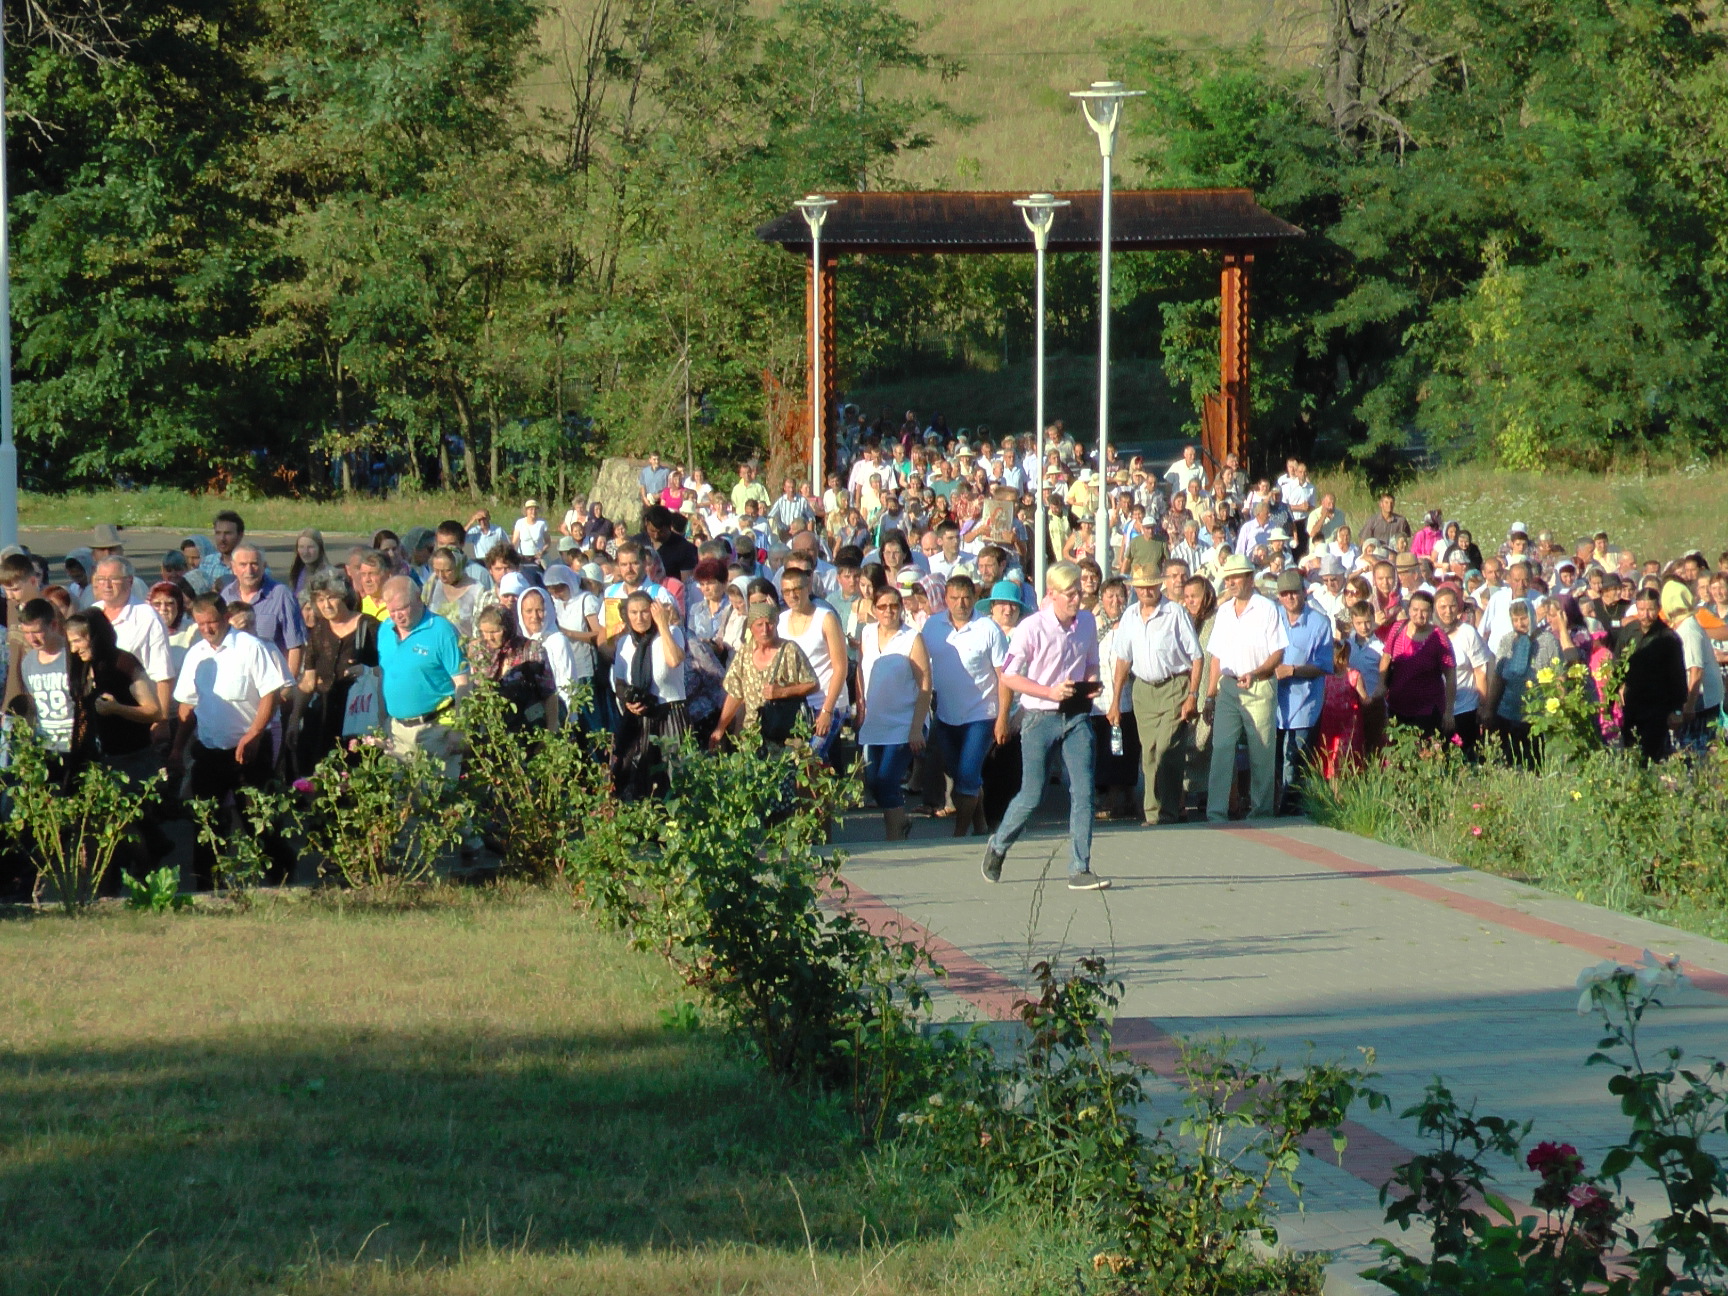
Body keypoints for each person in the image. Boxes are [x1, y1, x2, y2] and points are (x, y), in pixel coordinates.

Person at [979, 562, 1110, 891]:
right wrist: (1047, 691)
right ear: (1051, 594)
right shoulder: (1031, 628)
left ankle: (1080, 867)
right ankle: (998, 845)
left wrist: (1091, 685)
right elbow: (1008, 675)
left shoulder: (1087, 623)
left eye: (1079, 591)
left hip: (1076, 714)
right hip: (1039, 716)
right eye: (1070, 593)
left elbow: (1091, 663)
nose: (1077, 599)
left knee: (1084, 791)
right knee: (1032, 794)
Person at [168, 593, 292, 889]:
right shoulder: (196, 654)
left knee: (257, 820)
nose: (208, 629)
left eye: (212, 622)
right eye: (201, 624)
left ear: (225, 617)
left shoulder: (251, 647)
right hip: (210, 751)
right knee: (206, 821)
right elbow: (187, 705)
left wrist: (255, 734)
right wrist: (176, 749)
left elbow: (270, 694)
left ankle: (281, 876)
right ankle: (207, 885)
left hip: (248, 751)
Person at [1107, 562, 1202, 826]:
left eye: (1151, 585)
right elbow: (1123, 660)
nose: (1147, 590)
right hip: (1143, 689)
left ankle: (1168, 811)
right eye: (1141, 586)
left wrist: (1193, 694)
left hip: (1174, 686)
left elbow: (1196, 656)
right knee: (1148, 752)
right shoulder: (1129, 617)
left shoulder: (1175, 613)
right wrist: (1115, 701)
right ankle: (1152, 812)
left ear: (1160, 585)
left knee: (1167, 750)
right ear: (1134, 589)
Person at [921, 573, 1009, 837]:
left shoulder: (988, 629)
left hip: (981, 715)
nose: (961, 603)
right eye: (955, 598)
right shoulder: (932, 626)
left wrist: (1003, 717)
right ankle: (980, 825)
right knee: (960, 775)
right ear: (945, 599)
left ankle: (959, 834)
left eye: (966, 598)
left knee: (967, 778)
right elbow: (921, 665)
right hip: (946, 715)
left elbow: (1004, 677)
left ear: (975, 598)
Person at [1204, 554, 1287, 821]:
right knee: (1221, 748)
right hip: (1228, 688)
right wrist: (1209, 696)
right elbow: (1215, 656)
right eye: (1228, 577)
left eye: (1236, 576)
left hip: (1259, 687)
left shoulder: (1267, 609)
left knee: (1261, 752)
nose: (1231, 582)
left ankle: (1260, 812)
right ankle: (1215, 813)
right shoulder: (1225, 611)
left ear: (1251, 578)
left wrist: (1256, 673)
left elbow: (1278, 654)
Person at [856, 582, 933, 841]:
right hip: (875, 722)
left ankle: (895, 836)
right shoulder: (866, 633)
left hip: (904, 722)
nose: (888, 611)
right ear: (874, 609)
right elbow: (860, 671)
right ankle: (901, 820)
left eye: (893, 606)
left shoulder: (912, 637)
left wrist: (916, 727)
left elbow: (925, 683)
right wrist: (860, 707)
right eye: (882, 606)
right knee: (874, 782)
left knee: (888, 780)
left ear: (901, 608)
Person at [377, 576, 469, 780]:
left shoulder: (442, 631)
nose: (397, 616)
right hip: (396, 730)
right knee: (401, 801)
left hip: (434, 730)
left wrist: (459, 730)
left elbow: (462, 683)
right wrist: (382, 718)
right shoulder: (385, 630)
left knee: (437, 799)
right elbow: (382, 675)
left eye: (402, 608)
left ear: (419, 599)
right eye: (391, 611)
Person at [294, 569, 378, 769]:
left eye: (331, 598)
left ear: (344, 596)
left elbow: (386, 670)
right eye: (320, 599)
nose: (326, 605)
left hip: (357, 718)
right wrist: (294, 719)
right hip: (322, 720)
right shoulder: (319, 630)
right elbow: (308, 680)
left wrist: (367, 670)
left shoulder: (370, 626)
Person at [611, 590, 688, 800]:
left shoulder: (672, 632)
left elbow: (674, 660)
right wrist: (628, 701)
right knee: (636, 779)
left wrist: (662, 624)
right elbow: (618, 681)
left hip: (669, 714)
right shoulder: (624, 643)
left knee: (674, 779)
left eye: (645, 612)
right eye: (634, 613)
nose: (639, 618)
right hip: (639, 717)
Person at [711, 602, 818, 748]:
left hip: (784, 735)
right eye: (759, 625)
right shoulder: (744, 654)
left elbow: (813, 684)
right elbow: (735, 693)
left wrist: (782, 692)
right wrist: (720, 727)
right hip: (752, 735)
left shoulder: (789, 650)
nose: (765, 630)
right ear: (751, 627)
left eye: (770, 623)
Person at [92, 558, 174, 742]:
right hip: (101, 717)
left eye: (113, 578)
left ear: (129, 581)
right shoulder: (93, 613)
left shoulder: (147, 617)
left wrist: (161, 720)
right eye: (101, 579)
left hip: (137, 713)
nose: (106, 584)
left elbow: (163, 673)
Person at [1272, 570, 1334, 816]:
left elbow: (1323, 666)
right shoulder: (1273, 618)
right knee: (1277, 759)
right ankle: (1275, 805)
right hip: (1275, 703)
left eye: (1294, 593)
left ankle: (1292, 810)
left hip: (1304, 704)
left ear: (1304, 593)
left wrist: (1294, 670)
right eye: (1285, 594)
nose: (1290, 598)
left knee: (1296, 758)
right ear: (1279, 596)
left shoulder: (1320, 623)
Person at [777, 567, 849, 761]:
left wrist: (827, 710)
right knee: (805, 766)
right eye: (787, 591)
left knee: (809, 758)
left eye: (797, 589)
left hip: (828, 701)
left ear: (807, 587)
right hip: (799, 705)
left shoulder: (825, 618)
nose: (792, 595)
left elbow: (841, 667)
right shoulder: (781, 621)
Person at [1615, 587, 1688, 763]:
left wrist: (1677, 709)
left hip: (1657, 708)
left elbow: (1678, 676)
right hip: (1631, 704)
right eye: (1641, 610)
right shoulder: (1629, 631)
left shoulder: (1669, 638)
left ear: (1658, 609)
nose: (1645, 615)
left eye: (1650, 610)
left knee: (1650, 757)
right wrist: (1618, 686)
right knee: (1630, 754)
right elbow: (1616, 661)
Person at [221, 543, 307, 678]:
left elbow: (295, 645)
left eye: (254, 564)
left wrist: (288, 685)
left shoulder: (281, 594)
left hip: (272, 679)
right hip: (235, 677)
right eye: (243, 565)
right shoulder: (226, 596)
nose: (249, 570)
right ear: (233, 567)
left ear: (264, 566)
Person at [1380, 590, 1455, 737]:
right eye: (1415, 610)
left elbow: (1451, 675)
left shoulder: (1439, 637)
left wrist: (1449, 711)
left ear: (1431, 612)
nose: (1419, 615)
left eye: (1424, 611)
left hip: (1427, 710)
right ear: (1409, 609)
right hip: (1397, 706)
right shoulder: (1398, 628)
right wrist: (1381, 684)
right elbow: (1386, 656)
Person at [14, 599, 76, 775]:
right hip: (46, 746)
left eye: (37, 631)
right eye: (26, 632)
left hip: (74, 744)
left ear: (54, 625)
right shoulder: (29, 662)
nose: (31, 638)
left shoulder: (72, 655)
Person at [1434, 586, 1491, 758]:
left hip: (1465, 707)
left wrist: (1483, 705)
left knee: (1466, 758)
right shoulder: (1430, 633)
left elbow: (1480, 671)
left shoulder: (1468, 632)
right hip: (1436, 708)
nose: (1448, 611)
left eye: (1452, 606)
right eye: (1442, 607)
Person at [1487, 598, 1540, 765]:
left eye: (1523, 618)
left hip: (1535, 713)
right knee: (1508, 760)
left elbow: (1556, 676)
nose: (1520, 624)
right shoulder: (1507, 640)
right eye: (1515, 620)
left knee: (1533, 761)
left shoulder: (1545, 640)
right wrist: (1489, 709)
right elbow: (1498, 676)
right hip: (1507, 710)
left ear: (1532, 616)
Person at [516, 588, 580, 726]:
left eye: (540, 610)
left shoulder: (557, 641)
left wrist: (568, 721)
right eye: (528, 611)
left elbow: (568, 683)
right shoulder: (519, 644)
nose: (535, 616)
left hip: (556, 717)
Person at [1316, 638, 1369, 779]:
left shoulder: (1354, 676)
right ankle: (1334, 791)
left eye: (1343, 658)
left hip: (1349, 724)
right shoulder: (1326, 676)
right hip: (1330, 723)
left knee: (1346, 754)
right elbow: (1322, 698)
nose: (1341, 662)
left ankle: (1344, 788)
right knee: (1330, 754)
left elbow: (1364, 698)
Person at [425, 546, 483, 640]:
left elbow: (481, 629)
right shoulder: (433, 583)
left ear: (459, 566)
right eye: (436, 570)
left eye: (447, 571)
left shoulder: (476, 590)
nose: (441, 576)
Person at [289, 529, 333, 600]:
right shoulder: (297, 572)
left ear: (320, 549)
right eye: (301, 547)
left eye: (310, 547)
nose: (305, 552)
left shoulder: (329, 575)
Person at [511, 500, 550, 565]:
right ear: (526, 511)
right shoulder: (520, 523)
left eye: (535, 509)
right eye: (531, 509)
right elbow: (515, 541)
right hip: (523, 557)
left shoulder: (542, 523)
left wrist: (542, 552)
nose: (533, 512)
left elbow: (548, 542)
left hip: (537, 558)